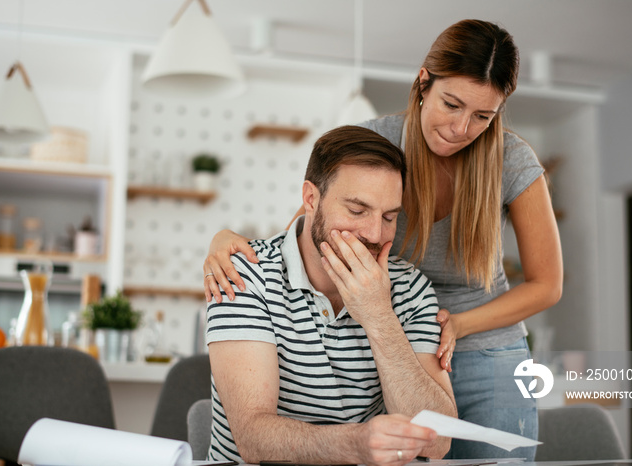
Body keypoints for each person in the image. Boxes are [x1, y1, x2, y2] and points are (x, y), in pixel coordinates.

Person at [203, 19, 562, 461]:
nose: (461, 128)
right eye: (451, 104)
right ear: (423, 83)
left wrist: (456, 325)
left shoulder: (511, 160)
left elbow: (548, 284)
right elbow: (311, 226)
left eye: (482, 117)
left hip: (467, 333)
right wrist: (229, 242)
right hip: (395, 316)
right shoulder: (377, 141)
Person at [205, 125, 457, 464]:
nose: (373, 234)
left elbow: (437, 441)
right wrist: (356, 445)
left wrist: (379, 316)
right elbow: (253, 438)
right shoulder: (245, 274)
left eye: (389, 217)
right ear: (311, 198)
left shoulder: (410, 288)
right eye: (356, 211)